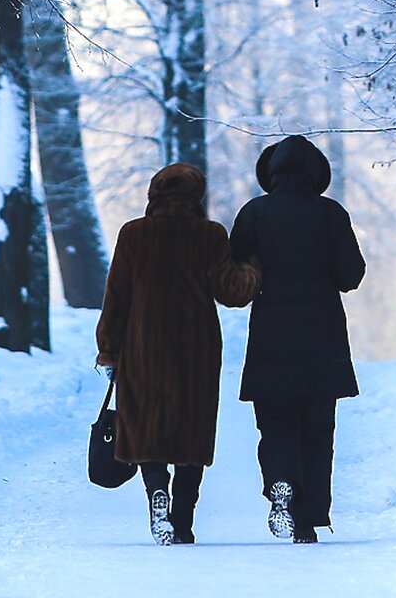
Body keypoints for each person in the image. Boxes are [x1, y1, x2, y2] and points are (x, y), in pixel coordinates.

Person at [96, 162, 259, 545]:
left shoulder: (133, 234)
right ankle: (183, 521)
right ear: (196, 196)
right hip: (195, 349)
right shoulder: (210, 235)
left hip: (142, 347)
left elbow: (116, 297)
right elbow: (232, 292)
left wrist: (108, 349)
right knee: (192, 428)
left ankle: (156, 488)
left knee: (146, 424)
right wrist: (253, 265)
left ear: (154, 194)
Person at [230, 134, 366, 544]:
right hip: (322, 336)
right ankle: (307, 519)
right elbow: (351, 276)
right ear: (315, 174)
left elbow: (234, 268)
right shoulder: (331, 214)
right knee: (318, 426)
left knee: (275, 422)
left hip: (272, 332)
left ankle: (281, 484)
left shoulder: (255, 212)